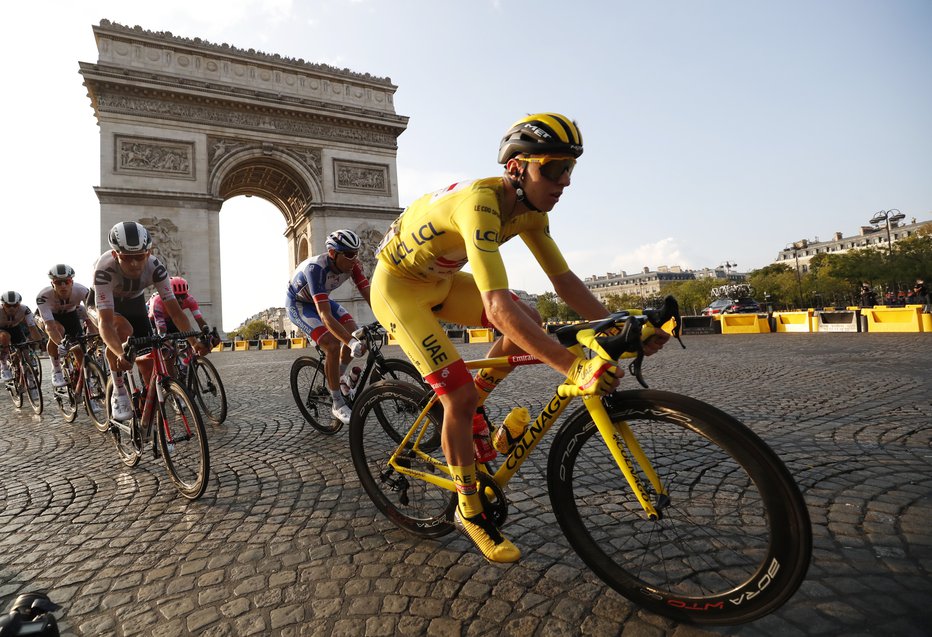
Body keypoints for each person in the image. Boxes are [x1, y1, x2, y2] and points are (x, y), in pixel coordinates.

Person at [369, 113, 669, 563]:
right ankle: (468, 510)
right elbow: (495, 307)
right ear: (516, 168)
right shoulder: (480, 204)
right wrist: (574, 367)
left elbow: (564, 284)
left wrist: (616, 325)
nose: (565, 180)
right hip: (397, 290)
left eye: (570, 169)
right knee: (459, 395)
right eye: (553, 168)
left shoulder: (530, 212)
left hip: (442, 280)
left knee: (525, 317)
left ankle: (477, 415)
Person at [92, 221, 208, 420]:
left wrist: (194, 343)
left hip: (135, 301)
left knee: (148, 362)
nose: (135, 264)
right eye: (127, 258)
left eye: (139, 257)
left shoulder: (156, 267)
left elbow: (176, 312)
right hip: (107, 304)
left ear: (148, 252)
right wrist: (121, 354)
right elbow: (106, 323)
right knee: (123, 330)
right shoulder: (103, 270)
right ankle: (119, 392)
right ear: (114, 255)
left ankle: (149, 416)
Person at [286, 229, 372, 425]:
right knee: (333, 346)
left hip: (322, 300)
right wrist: (349, 342)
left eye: (357, 253)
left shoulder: (353, 266)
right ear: (333, 253)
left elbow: (369, 294)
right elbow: (324, 315)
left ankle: (338, 376)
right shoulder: (316, 269)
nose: (355, 259)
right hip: (300, 305)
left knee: (359, 334)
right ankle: (337, 402)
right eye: (349, 254)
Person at [35, 264, 97, 388]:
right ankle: (56, 369)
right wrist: (60, 344)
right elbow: (51, 326)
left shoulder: (82, 290)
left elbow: (92, 312)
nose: (63, 286)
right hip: (50, 319)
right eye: (58, 282)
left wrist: (97, 334)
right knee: (58, 329)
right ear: (53, 283)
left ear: (71, 282)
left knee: (79, 349)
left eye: (66, 281)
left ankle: (85, 387)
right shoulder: (43, 296)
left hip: (71, 315)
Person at [0, 291, 44, 382]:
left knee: (25, 353)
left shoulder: (25, 309)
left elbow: (32, 327)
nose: (12, 308)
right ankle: (4, 366)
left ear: (19, 305)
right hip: (1, 330)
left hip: (15, 328)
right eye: (8, 306)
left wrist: (40, 341)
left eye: (15, 305)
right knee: (5, 336)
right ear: (3, 305)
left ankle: (28, 381)